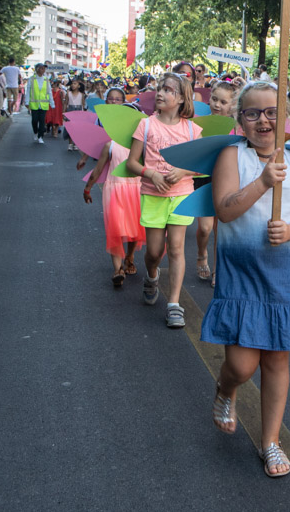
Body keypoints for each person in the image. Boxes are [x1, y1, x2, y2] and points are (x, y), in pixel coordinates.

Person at [205, 81, 290, 478]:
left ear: (286, 117)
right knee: (241, 365)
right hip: (240, 273)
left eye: (273, 112)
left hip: (283, 273)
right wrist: (262, 182)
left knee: (276, 360)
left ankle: (270, 441)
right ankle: (226, 388)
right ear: (239, 119)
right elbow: (224, 210)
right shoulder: (231, 155)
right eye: (253, 113)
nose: (263, 120)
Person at [125, 73, 202, 328]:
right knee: (154, 252)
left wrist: (184, 171)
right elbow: (131, 163)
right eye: (160, 88)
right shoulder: (146, 125)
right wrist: (151, 174)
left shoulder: (192, 130)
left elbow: (201, 164)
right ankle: (152, 275)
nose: (160, 93)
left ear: (181, 99)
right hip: (153, 196)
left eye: (168, 90)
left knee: (177, 249)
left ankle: (174, 305)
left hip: (181, 195)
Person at [84, 104, 145, 288]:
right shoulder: (115, 145)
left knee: (123, 228)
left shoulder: (133, 145)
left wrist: (87, 189)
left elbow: (97, 171)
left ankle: (127, 260)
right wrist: (88, 187)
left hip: (126, 190)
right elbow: (97, 170)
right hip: (127, 190)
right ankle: (120, 267)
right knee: (123, 228)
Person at [193, 80, 239, 284]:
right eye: (214, 99)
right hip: (203, 179)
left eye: (223, 102)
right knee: (205, 228)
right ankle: (201, 254)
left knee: (222, 229)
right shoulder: (198, 123)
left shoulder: (237, 128)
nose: (217, 105)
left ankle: (217, 269)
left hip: (227, 180)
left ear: (232, 105)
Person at [25, 63, 54, 143]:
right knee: (34, 120)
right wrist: (27, 102)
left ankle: (40, 136)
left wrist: (52, 103)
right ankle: (35, 131)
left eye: (44, 68)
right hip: (34, 103)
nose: (43, 70)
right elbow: (28, 91)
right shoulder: (31, 79)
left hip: (44, 104)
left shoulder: (46, 80)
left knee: (42, 121)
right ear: (37, 69)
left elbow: (49, 92)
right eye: (41, 68)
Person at [64, 79, 86, 150]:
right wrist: (64, 112)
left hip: (78, 111)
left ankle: (76, 143)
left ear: (79, 86)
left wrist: (83, 113)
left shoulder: (81, 94)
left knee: (77, 129)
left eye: (75, 84)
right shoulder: (68, 93)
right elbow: (66, 103)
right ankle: (70, 144)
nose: (73, 85)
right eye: (72, 84)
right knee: (71, 128)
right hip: (70, 110)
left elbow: (83, 104)